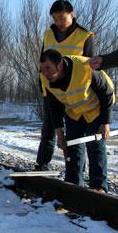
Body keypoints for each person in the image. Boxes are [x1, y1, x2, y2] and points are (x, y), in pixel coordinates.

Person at [39, 49, 114, 192]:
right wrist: (60, 133)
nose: (45, 73)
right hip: (74, 112)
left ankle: (98, 187)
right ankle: (73, 185)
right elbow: (54, 107)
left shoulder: (84, 67)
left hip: (95, 110)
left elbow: (107, 92)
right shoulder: (45, 79)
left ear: (60, 65)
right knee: (72, 147)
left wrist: (105, 122)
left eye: (48, 68)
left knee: (95, 146)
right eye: (42, 69)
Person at [35, 0, 95, 171]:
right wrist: (42, 84)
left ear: (72, 14)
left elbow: (91, 68)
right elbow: (42, 61)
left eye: (61, 17)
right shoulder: (48, 34)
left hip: (75, 93)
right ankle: (42, 164)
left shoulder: (85, 36)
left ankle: (77, 170)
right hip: (52, 90)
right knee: (49, 129)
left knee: (75, 133)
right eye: (55, 18)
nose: (58, 22)